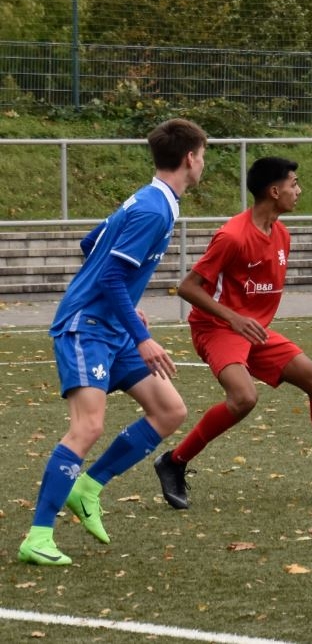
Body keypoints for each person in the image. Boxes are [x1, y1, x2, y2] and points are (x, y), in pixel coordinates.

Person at [20, 119, 206, 566]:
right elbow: (107, 271)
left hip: (111, 325)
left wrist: (125, 306)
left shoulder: (151, 199)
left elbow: (92, 244)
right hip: (86, 328)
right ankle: (38, 537)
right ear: (189, 159)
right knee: (87, 427)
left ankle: (89, 487)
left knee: (169, 410)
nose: (203, 164)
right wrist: (141, 335)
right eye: (203, 155)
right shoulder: (154, 209)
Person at [152, 156, 312, 510]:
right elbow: (188, 287)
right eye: (294, 183)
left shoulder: (282, 234)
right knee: (244, 398)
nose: (298, 190)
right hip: (218, 328)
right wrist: (234, 319)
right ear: (274, 191)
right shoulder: (232, 236)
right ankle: (173, 462)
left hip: (253, 332)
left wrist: (247, 322)